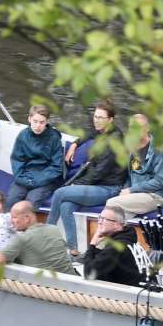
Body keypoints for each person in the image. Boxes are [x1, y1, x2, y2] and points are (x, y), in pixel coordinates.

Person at [48, 99, 128, 254]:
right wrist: (75, 144)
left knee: (59, 193)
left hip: (107, 188)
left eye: (100, 118)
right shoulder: (103, 130)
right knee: (66, 206)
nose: (96, 120)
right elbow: (89, 133)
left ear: (110, 120)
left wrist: (76, 184)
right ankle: (73, 250)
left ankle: (44, 234)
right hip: (94, 184)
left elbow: (98, 174)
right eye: (95, 116)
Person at [104, 114, 163, 219]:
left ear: (147, 129)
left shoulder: (159, 150)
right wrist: (125, 190)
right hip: (134, 195)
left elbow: (159, 181)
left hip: (153, 196)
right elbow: (131, 175)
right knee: (118, 217)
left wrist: (131, 190)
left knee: (111, 204)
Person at [6, 105, 64, 210]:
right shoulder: (23, 136)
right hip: (25, 176)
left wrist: (37, 181)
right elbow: (17, 160)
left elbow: (56, 167)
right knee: (11, 200)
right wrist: (22, 179)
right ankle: (8, 225)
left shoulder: (54, 138)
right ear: (29, 119)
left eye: (42, 122)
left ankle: (27, 226)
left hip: (45, 179)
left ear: (47, 121)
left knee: (30, 203)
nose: (38, 126)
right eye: (35, 121)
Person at [0, 201, 73, 272]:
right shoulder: (54, 229)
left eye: (14, 217)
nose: (12, 221)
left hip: (48, 286)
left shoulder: (22, 238)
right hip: (72, 281)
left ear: (26, 218)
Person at [82, 206, 145, 286]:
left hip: (133, 296)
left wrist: (92, 244)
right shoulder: (130, 242)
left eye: (104, 219)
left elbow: (88, 273)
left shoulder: (116, 247)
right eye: (100, 218)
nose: (99, 222)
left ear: (116, 224)